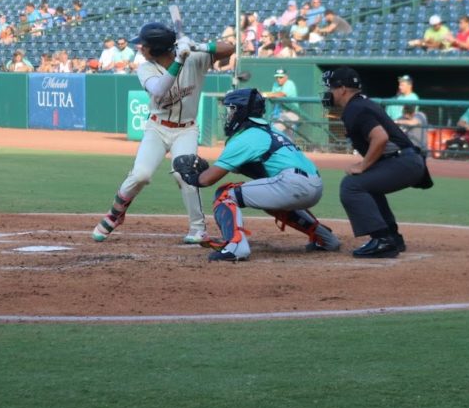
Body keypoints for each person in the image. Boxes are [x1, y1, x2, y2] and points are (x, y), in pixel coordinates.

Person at [92, 22, 235, 244]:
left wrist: (198, 46)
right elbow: (159, 89)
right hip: (157, 128)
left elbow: (229, 48)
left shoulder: (195, 58)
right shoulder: (145, 68)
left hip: (186, 129)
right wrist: (179, 60)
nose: (140, 48)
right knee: (141, 175)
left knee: (184, 173)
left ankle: (198, 229)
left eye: (144, 45)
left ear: (156, 49)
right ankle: (115, 214)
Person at [174, 89, 342, 262]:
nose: (228, 115)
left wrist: (191, 178)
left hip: (292, 184)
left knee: (224, 195)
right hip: (313, 184)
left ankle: (236, 246)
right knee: (270, 200)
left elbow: (206, 180)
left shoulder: (246, 137)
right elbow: (257, 172)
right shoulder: (272, 130)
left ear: (242, 111)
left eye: (232, 110)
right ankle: (326, 238)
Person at [321, 67, 433, 258]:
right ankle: (392, 237)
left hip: (403, 161)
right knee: (366, 184)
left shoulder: (354, 108)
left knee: (351, 186)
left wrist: (363, 165)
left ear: (342, 89)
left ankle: (383, 240)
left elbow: (380, 138)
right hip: (406, 159)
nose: (329, 92)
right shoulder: (360, 104)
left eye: (331, 88)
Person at [386, 75, 425, 145]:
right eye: (400, 85)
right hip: (395, 127)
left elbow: (411, 118)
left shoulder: (414, 98)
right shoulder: (397, 97)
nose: (400, 87)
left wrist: (397, 121)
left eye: (402, 85)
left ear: (409, 85)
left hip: (407, 128)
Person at [264, 68, 300, 135]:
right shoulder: (275, 84)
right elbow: (272, 95)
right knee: (287, 137)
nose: (278, 79)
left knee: (274, 130)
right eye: (277, 77)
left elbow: (281, 94)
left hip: (292, 113)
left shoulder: (289, 83)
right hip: (280, 113)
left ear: (286, 77)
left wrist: (265, 94)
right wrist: (264, 94)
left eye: (281, 77)